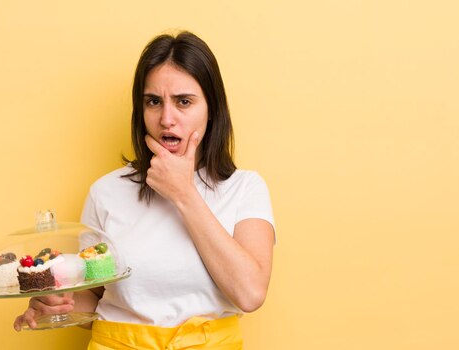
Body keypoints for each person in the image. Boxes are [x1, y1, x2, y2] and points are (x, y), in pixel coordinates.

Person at [14, 31, 275, 349]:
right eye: (154, 102)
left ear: (212, 109)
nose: (167, 119)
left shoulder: (245, 188)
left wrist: (183, 193)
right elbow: (96, 300)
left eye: (184, 102)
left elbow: (250, 294)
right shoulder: (105, 192)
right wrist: (56, 304)